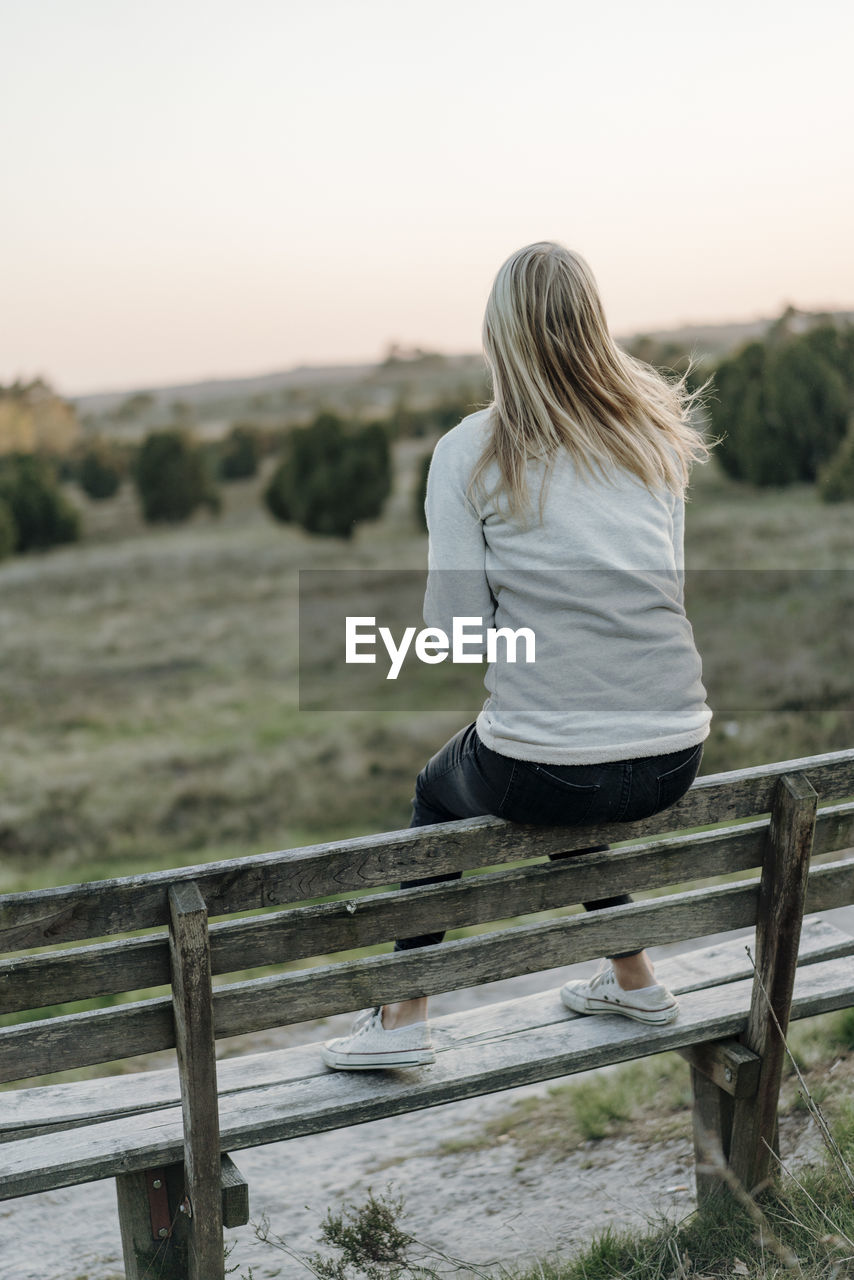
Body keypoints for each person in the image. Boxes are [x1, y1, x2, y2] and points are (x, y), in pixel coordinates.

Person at [321, 241, 713, 1071]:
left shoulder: (471, 451)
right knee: (563, 758)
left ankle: (401, 1018)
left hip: (551, 763)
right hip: (676, 746)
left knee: (448, 787)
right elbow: (662, 588)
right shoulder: (654, 437)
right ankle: (635, 978)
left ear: (501, 336)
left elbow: (455, 633)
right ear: (594, 325)